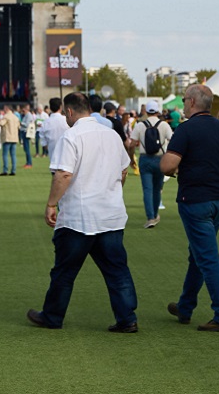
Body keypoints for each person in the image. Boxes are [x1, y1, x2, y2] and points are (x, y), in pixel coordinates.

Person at [26, 92, 138, 332]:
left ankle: (53, 316)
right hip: (110, 214)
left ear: (69, 111)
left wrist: (51, 203)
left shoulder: (71, 136)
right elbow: (123, 171)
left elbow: (64, 174)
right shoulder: (111, 135)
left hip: (79, 217)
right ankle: (127, 318)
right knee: (117, 270)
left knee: (64, 271)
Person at [158, 84, 219, 332]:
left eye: (184, 100)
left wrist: (182, 171)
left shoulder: (186, 129)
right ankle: (185, 307)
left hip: (196, 201)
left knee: (207, 258)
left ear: (192, 102)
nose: (182, 104)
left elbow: (166, 165)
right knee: (199, 255)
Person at [128, 100, 173, 228]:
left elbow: (132, 144)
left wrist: (131, 157)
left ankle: (150, 217)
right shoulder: (164, 125)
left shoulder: (140, 125)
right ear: (158, 111)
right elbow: (172, 140)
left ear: (146, 111)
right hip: (160, 159)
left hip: (145, 159)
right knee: (157, 189)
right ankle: (155, 214)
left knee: (147, 189)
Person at [0, 105, 20, 175]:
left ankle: (5, 170)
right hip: (14, 138)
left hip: (7, 137)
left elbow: (1, 123)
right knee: (13, 155)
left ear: (7, 108)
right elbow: (18, 126)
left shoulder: (6, 116)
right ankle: (13, 170)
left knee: (5, 155)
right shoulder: (16, 117)